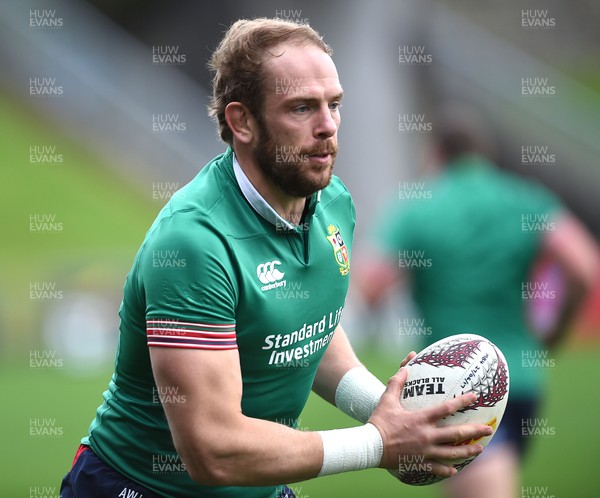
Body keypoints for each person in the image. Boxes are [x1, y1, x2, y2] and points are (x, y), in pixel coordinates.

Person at [59, 20, 492, 498]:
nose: (327, 125)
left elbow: (306, 328)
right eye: (302, 108)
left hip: (261, 486)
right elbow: (212, 449)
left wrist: (385, 408)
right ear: (242, 121)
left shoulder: (332, 202)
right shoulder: (192, 244)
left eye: (334, 104)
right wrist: (377, 443)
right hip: (143, 487)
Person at [356, 104, 600, 498]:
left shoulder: (419, 207)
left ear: (435, 154)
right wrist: (555, 330)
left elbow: (372, 284)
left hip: (456, 386)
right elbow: (584, 266)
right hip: (522, 380)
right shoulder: (522, 198)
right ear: (482, 154)